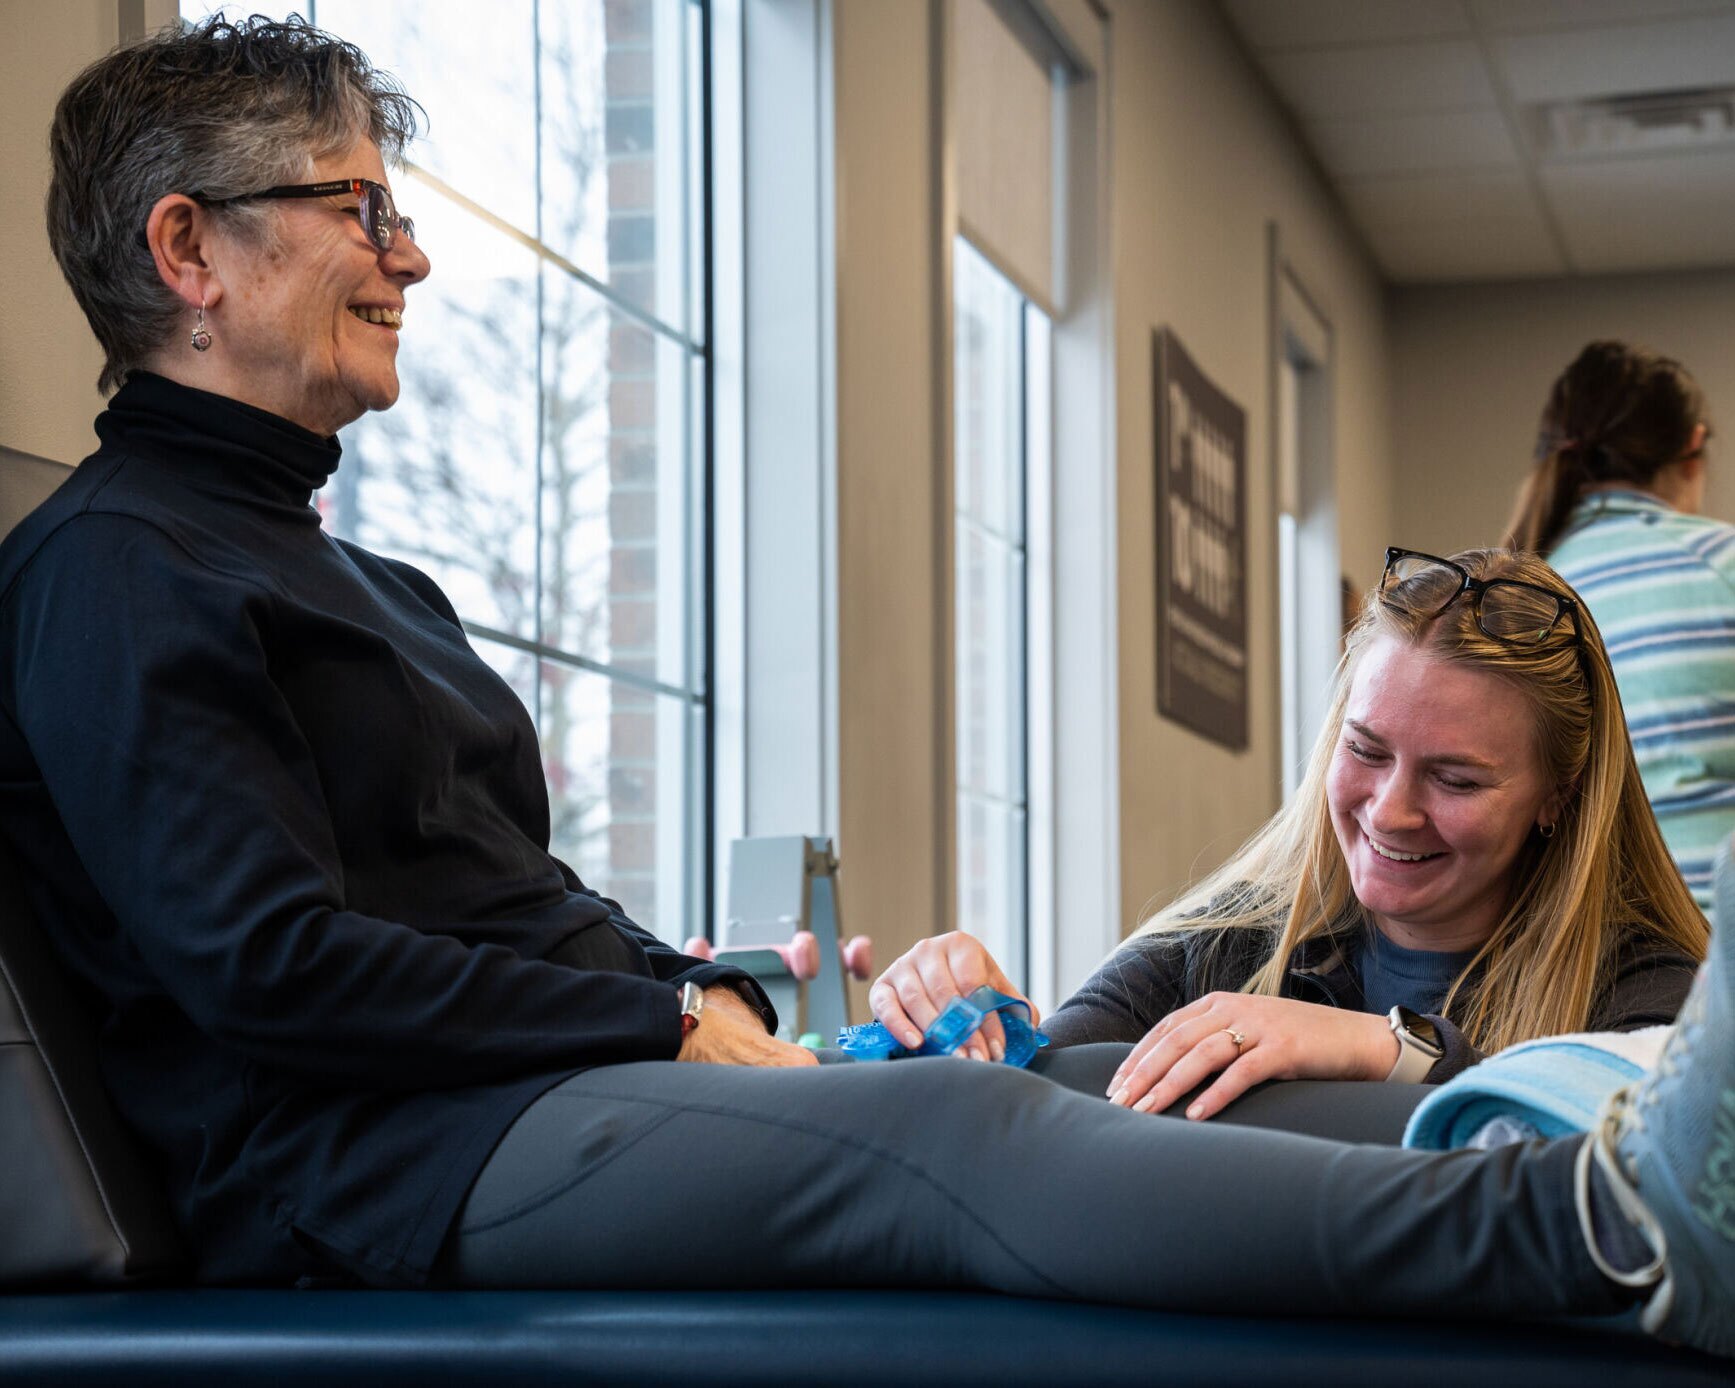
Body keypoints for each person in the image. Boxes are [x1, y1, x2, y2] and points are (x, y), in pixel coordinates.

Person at [2, 15, 1729, 1359]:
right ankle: (1601, 1235)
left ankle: (1645, 1145)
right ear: (189, 250)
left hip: (517, 1097)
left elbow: (506, 910)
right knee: (963, 1130)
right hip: (372, 1167)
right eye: (358, 207)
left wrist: (727, 986)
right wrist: (668, 1019)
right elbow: (271, 967)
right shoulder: (112, 569)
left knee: (1082, 1079)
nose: (410, 254)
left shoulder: (363, 577)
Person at [876, 548, 1705, 1121]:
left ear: (1556, 798)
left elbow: (1654, 1146)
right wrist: (978, 1022)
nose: (1388, 811)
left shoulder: (1651, 984)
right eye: (1365, 751)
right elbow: (1043, 1090)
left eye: (1454, 779)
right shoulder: (1226, 944)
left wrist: (1391, 1052)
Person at [1507, 341, 1731, 912]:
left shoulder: (1515, 597)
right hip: (1714, 947)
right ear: (1693, 445)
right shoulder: (1722, 564)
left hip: (1581, 955)